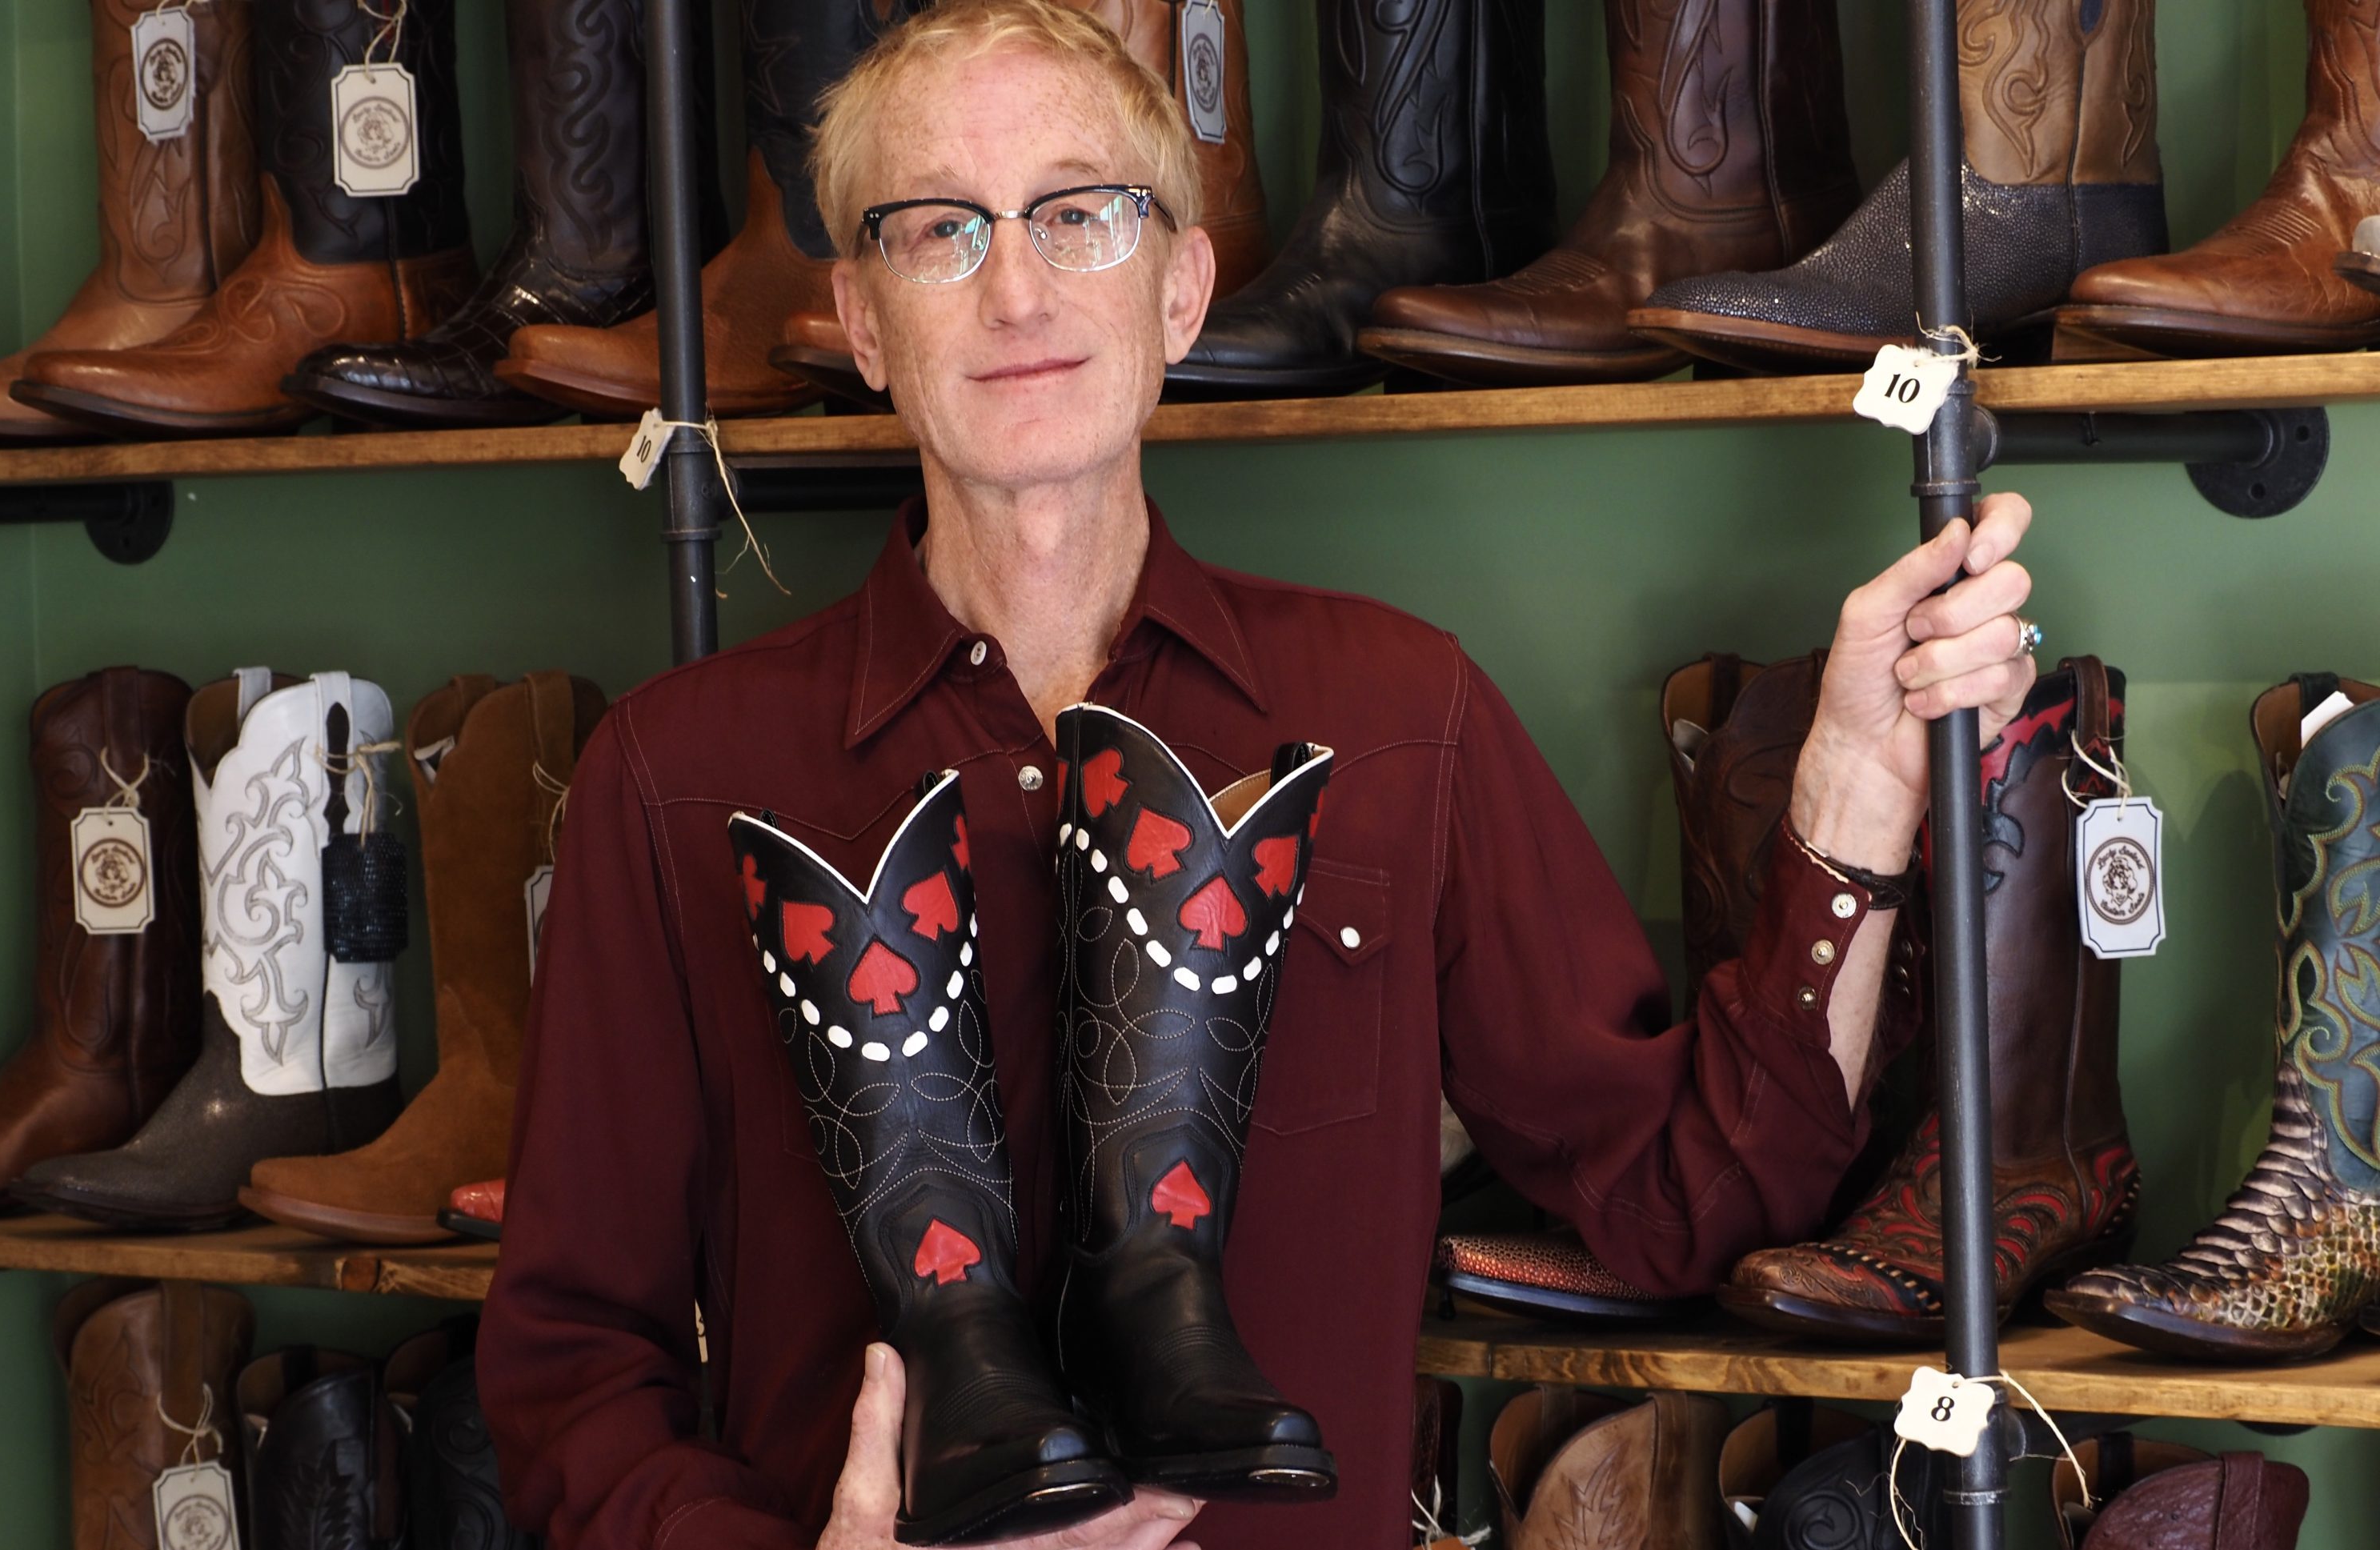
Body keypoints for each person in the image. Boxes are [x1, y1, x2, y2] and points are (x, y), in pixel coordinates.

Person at [479, 4, 2043, 1546]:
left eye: (1079, 214)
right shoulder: (675, 779)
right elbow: (567, 1366)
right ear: (864, 320)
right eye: (941, 229)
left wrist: (1855, 787)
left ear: (1181, 288)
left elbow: (1687, 1194)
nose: (1016, 289)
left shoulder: (1394, 716)